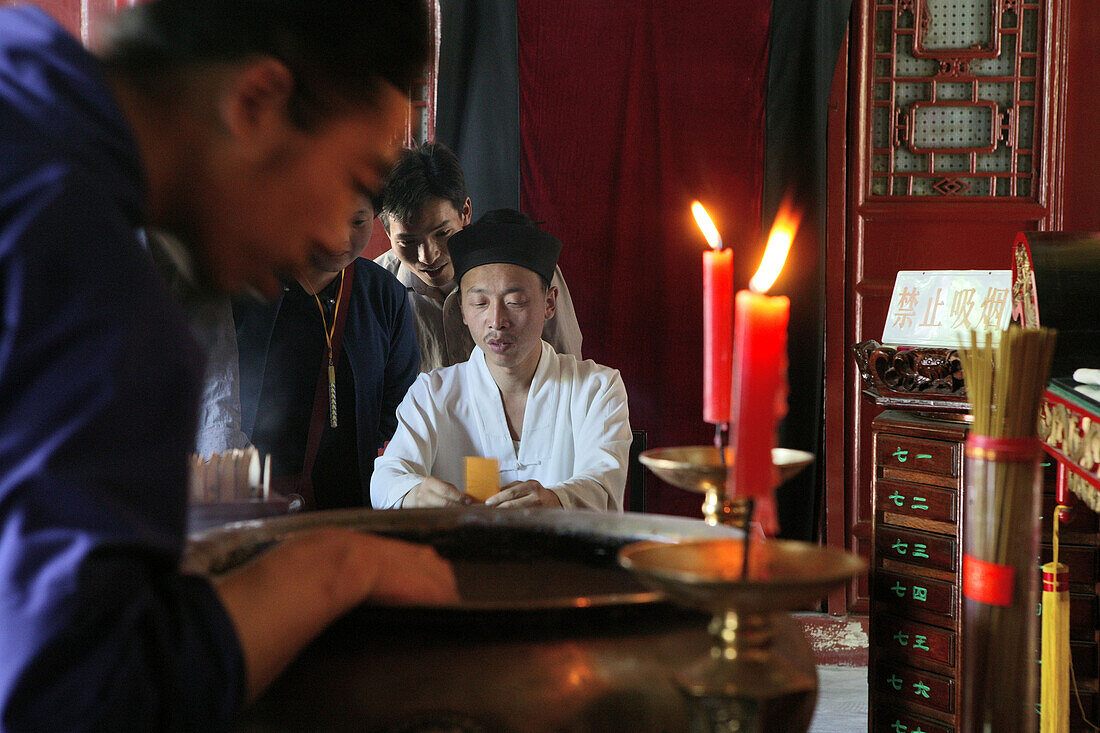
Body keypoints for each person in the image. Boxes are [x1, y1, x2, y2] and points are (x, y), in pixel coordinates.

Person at [0, 2, 455, 729]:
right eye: (352, 175)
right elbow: (75, 696)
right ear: (256, 104)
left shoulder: (21, 66)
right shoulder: (96, 286)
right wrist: (333, 566)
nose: (332, 233)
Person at [371, 210, 631, 511]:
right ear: (463, 311)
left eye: (515, 301)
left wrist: (557, 500)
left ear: (549, 303)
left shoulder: (597, 389)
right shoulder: (432, 393)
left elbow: (604, 485)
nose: (496, 321)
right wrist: (415, 493)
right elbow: (386, 480)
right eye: (480, 303)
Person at [235, 194, 419, 509]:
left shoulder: (385, 295)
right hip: (251, 495)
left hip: (348, 498)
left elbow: (399, 398)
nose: (339, 237)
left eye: (358, 221)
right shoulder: (246, 286)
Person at [375, 143, 584, 371]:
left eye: (442, 233)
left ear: (465, 212)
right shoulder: (375, 290)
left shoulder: (527, 265)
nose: (427, 256)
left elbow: (567, 369)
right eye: (407, 242)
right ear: (387, 233)